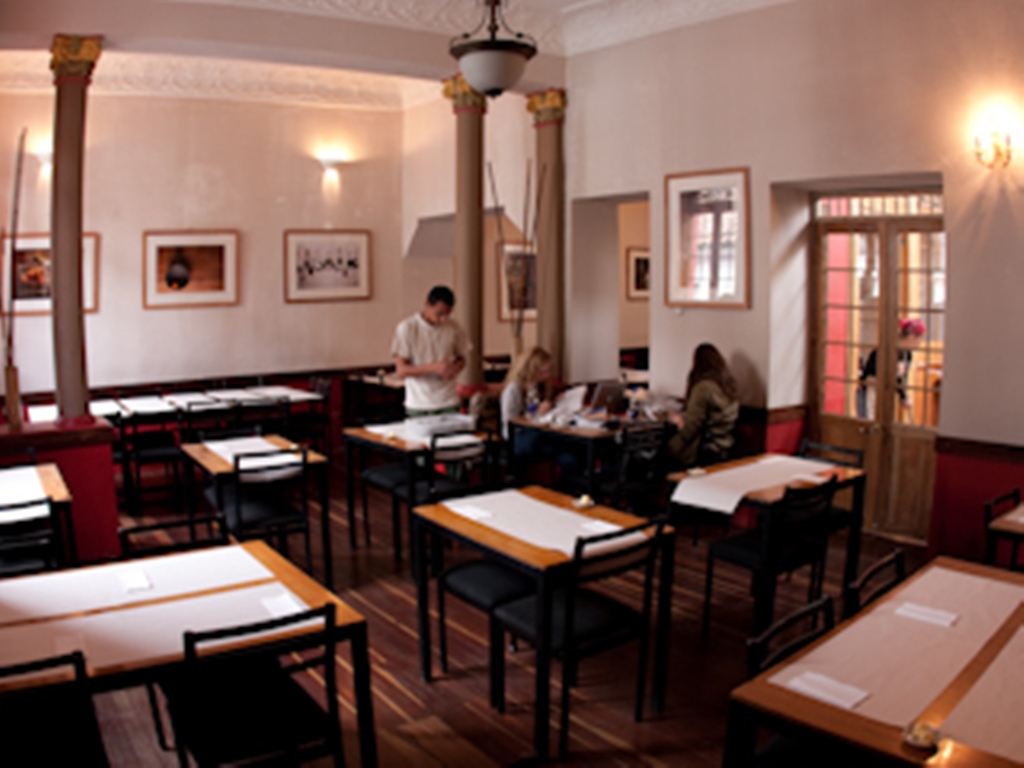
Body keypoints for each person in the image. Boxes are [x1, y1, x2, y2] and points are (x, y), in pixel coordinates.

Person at [500, 346, 579, 482]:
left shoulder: (536, 385)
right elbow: (510, 425)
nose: (546, 376)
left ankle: (563, 490)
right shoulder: (513, 389)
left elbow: (539, 413)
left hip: (537, 434)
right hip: (518, 438)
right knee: (562, 444)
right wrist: (537, 414)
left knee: (571, 458)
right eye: (542, 372)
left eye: (548, 371)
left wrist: (556, 403)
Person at [391, 285, 470, 417]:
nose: (443, 319)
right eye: (439, 313)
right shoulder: (408, 328)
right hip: (419, 404)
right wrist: (434, 367)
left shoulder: (454, 327)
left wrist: (455, 367)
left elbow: (462, 358)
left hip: (449, 400)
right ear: (427, 305)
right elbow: (401, 370)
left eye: (447, 314)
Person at [667, 343, 740, 469]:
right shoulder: (728, 385)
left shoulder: (703, 389)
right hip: (725, 446)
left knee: (663, 453)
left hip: (705, 450)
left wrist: (679, 424)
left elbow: (692, 427)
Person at [856, 317, 926, 419]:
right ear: (911, 337)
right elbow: (869, 370)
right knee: (869, 419)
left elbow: (901, 379)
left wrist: (904, 398)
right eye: (920, 338)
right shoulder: (885, 348)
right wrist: (893, 368)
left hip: (888, 391)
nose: (920, 342)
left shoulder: (908, 354)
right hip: (872, 388)